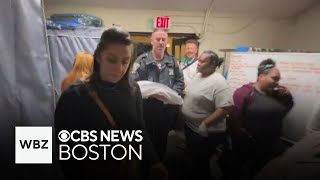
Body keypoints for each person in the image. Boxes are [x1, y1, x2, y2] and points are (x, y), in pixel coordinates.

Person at [54, 27, 167, 180]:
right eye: (112, 60)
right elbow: (65, 148)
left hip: (126, 170)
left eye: (125, 61)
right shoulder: (74, 96)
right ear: (99, 57)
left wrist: (155, 162)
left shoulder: (133, 90)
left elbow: (139, 129)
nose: (119, 68)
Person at [231, 59, 294, 178]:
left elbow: (283, 112)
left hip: (271, 145)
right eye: (274, 78)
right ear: (261, 76)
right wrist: (242, 141)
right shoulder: (244, 93)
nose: (277, 82)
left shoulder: (276, 94)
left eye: (278, 79)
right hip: (249, 146)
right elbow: (235, 120)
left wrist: (288, 97)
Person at [131, 29, 184, 161]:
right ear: (152, 41)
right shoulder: (141, 60)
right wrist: (151, 94)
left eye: (163, 40)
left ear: (166, 42)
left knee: (161, 140)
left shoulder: (173, 62)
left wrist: (171, 95)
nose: (160, 42)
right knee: (144, 139)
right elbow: (133, 83)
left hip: (166, 110)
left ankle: (159, 165)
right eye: (158, 39)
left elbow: (180, 82)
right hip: (146, 109)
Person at [181, 50, 234, 180]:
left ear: (212, 65)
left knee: (203, 164)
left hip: (206, 133)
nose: (198, 64)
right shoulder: (198, 76)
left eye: (202, 61)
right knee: (194, 160)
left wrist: (205, 124)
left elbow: (226, 107)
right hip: (191, 128)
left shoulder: (219, 82)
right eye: (198, 60)